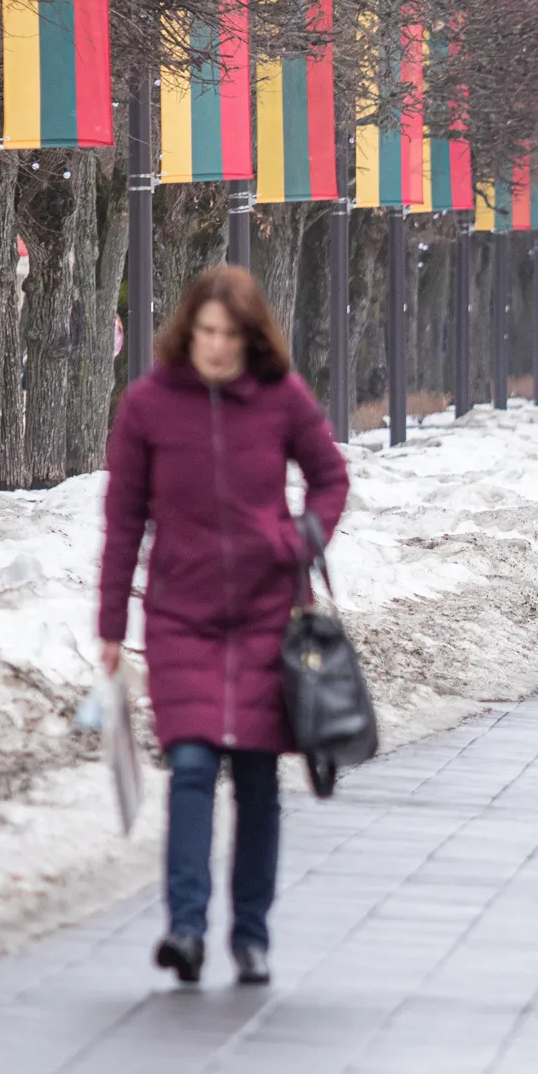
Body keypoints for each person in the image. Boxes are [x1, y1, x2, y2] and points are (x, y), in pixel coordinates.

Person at [98, 266, 351, 987]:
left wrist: (298, 539)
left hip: (270, 613)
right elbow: (123, 521)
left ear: (250, 337)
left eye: (229, 334)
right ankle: (185, 927)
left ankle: (251, 935)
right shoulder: (148, 406)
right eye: (206, 331)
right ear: (188, 331)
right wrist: (110, 623)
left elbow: (331, 478)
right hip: (182, 615)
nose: (215, 346)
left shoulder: (281, 397)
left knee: (257, 775)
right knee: (192, 764)